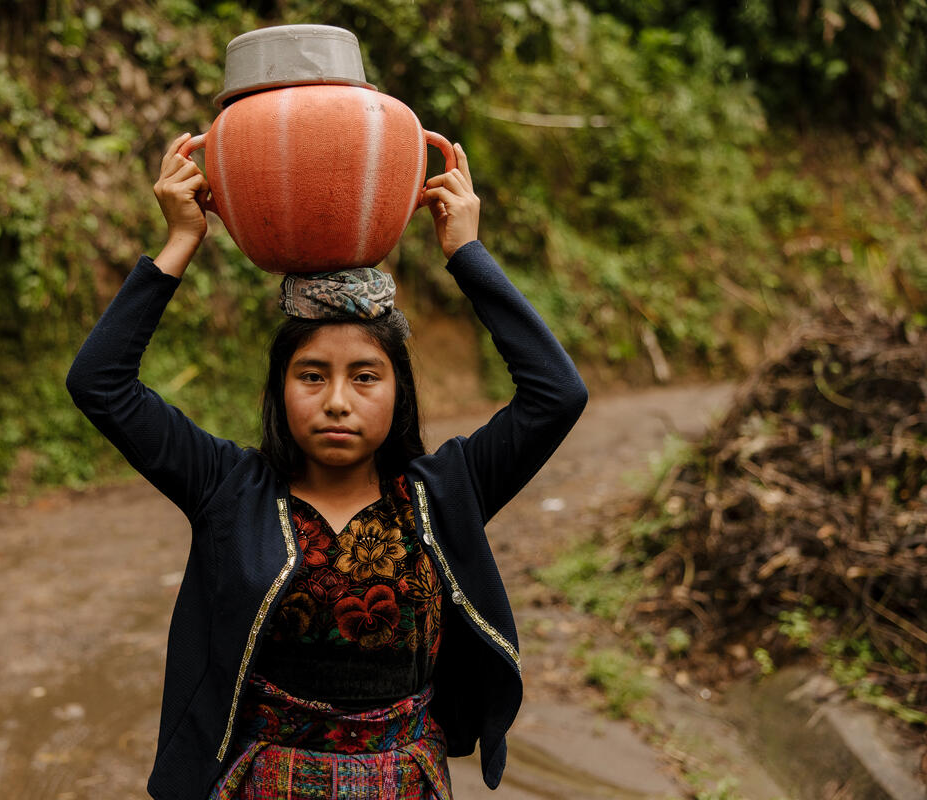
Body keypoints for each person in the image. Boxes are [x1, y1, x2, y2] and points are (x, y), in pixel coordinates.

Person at [66, 133, 588, 800]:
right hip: (266, 782)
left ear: (398, 393)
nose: (337, 402)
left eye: (364, 376)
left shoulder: (443, 491)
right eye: (312, 375)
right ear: (278, 391)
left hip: (406, 782)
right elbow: (100, 383)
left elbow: (557, 393)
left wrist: (466, 253)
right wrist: (178, 244)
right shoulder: (229, 489)